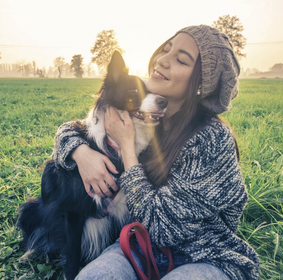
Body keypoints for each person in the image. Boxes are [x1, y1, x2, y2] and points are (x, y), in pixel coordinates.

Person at [52, 25, 260, 280]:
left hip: (207, 255)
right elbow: (71, 129)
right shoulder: (148, 121)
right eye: (165, 49)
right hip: (139, 246)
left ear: (202, 84)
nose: (162, 60)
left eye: (181, 60)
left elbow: (162, 228)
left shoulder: (213, 140)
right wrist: (81, 152)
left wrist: (128, 149)